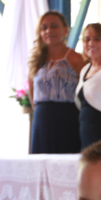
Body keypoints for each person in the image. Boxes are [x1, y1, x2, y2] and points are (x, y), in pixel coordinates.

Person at [28, 11, 87, 154]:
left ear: (65, 30)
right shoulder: (36, 60)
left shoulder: (75, 58)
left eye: (54, 26)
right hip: (42, 118)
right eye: (44, 27)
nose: (49, 31)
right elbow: (31, 91)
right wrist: (39, 113)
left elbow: (87, 89)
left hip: (67, 118)